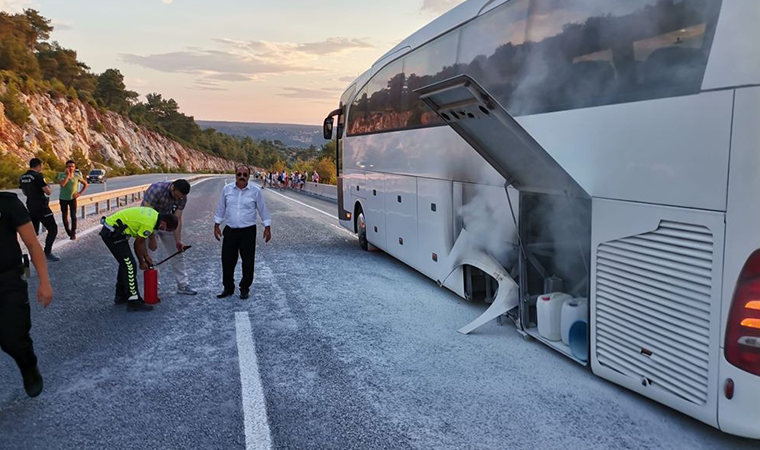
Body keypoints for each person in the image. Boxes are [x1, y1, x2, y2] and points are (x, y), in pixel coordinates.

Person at [0, 191, 53, 397]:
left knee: (12, 339)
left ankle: (29, 366)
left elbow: (32, 244)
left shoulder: (8, 203)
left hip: (9, 280)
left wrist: (44, 282)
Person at [100, 207, 179, 312]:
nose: (163, 231)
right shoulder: (149, 224)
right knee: (130, 265)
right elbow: (138, 243)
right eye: (166, 229)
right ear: (163, 223)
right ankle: (134, 301)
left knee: (125, 262)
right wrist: (142, 262)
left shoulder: (154, 215)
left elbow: (142, 241)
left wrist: (146, 257)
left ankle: (121, 295)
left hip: (115, 231)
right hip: (112, 233)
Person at [214, 165, 272, 300]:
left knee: (248, 261)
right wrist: (217, 225)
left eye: (244, 175)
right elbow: (221, 208)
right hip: (230, 230)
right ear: (235, 175)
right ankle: (228, 288)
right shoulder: (226, 190)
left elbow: (262, 209)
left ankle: (244, 288)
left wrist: (267, 227)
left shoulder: (255, 191)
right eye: (239, 174)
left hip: (248, 231)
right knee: (227, 261)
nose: (241, 177)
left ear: (248, 176)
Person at [141, 179, 197, 295]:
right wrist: (152, 239)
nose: (178, 199)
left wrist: (178, 241)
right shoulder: (156, 190)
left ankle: (183, 285)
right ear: (172, 188)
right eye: (177, 195)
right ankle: (154, 289)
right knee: (152, 258)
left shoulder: (182, 197)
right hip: (149, 223)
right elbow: (146, 217)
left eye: (180, 197)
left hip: (168, 223)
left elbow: (177, 219)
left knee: (177, 253)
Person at [19, 158, 59, 262]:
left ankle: (34, 254)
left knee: (34, 232)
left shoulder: (22, 177)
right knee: (53, 228)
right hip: (42, 206)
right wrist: (49, 186)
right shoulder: (38, 176)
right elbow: (48, 191)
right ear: (38, 166)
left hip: (30, 206)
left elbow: (24, 192)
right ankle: (47, 253)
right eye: (41, 166)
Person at [56, 159, 89, 240]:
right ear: (66, 167)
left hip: (72, 198)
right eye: (69, 166)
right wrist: (67, 175)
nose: (71, 168)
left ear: (75, 168)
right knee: (64, 215)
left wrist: (79, 193)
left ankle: (73, 233)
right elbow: (63, 184)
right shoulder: (61, 175)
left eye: (72, 166)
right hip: (63, 198)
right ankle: (68, 231)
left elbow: (86, 184)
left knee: (73, 216)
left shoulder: (77, 176)